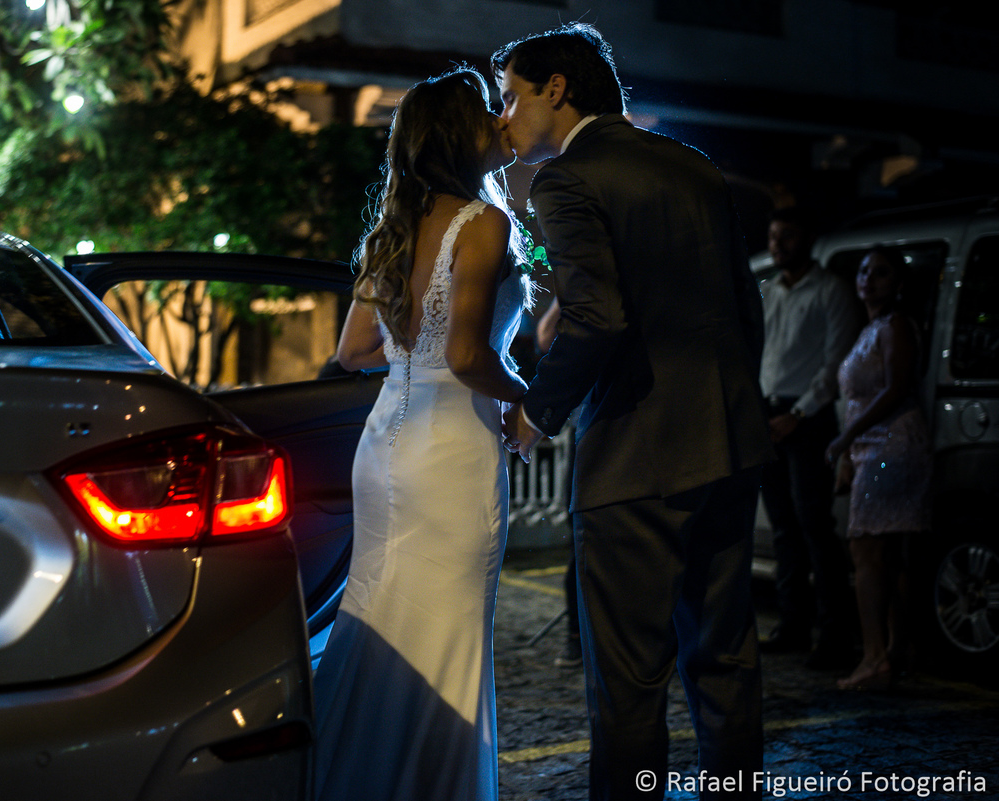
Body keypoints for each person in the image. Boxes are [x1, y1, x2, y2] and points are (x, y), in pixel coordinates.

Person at [493, 23, 774, 801]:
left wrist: (536, 414)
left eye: (511, 96)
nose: (503, 116)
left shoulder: (565, 180)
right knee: (726, 656)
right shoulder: (694, 167)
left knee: (628, 679)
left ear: (558, 88)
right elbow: (746, 308)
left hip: (635, 454)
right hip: (728, 441)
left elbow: (597, 317)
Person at [313, 66, 531, 801]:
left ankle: (354, 775)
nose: (500, 121)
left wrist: (415, 355)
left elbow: (354, 351)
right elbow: (471, 356)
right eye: (486, 111)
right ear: (458, 134)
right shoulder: (484, 223)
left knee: (379, 611)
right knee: (446, 625)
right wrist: (532, 401)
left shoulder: (394, 228)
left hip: (384, 447)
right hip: (450, 453)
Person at [824, 246, 931, 690]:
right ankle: (894, 649)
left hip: (891, 444)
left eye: (881, 273)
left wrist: (846, 439)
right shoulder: (871, 328)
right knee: (883, 555)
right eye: (864, 271)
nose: (869, 279)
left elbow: (895, 388)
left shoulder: (894, 327)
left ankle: (874, 657)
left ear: (899, 284)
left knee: (867, 551)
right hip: (872, 445)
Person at [758, 207, 861, 668]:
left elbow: (836, 362)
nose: (778, 244)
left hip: (808, 419)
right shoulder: (769, 291)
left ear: (807, 239)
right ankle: (792, 624)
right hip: (770, 413)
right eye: (774, 236)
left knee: (815, 527)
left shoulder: (831, 291)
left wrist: (798, 414)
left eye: (787, 236)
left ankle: (833, 634)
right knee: (783, 529)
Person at [535, 298, 582, 669]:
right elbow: (546, 337)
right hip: (588, 431)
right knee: (581, 542)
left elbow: (547, 336)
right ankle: (577, 637)